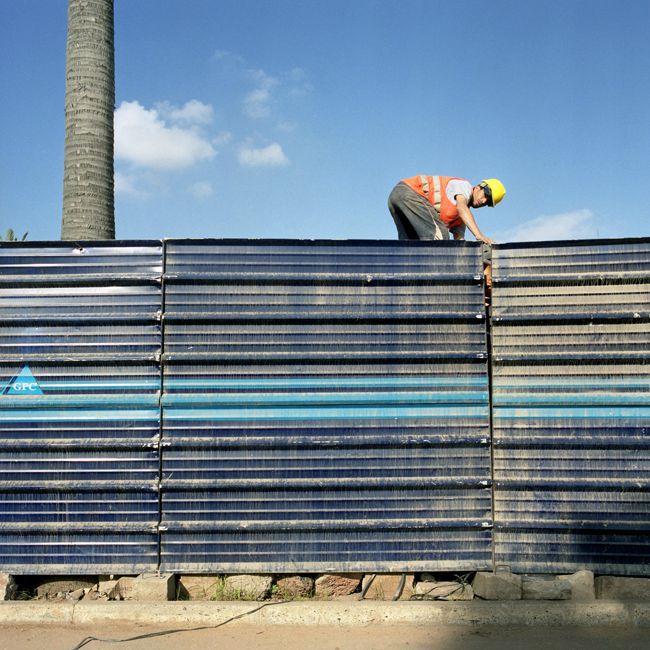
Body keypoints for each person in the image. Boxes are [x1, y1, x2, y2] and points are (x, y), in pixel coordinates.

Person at [387, 175, 506, 244]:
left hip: (397, 198)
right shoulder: (464, 187)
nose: (484, 201)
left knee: (411, 247)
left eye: (488, 203)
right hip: (410, 192)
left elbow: (459, 241)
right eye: (486, 195)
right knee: (442, 240)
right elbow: (462, 208)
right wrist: (479, 235)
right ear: (479, 187)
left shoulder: (460, 217)